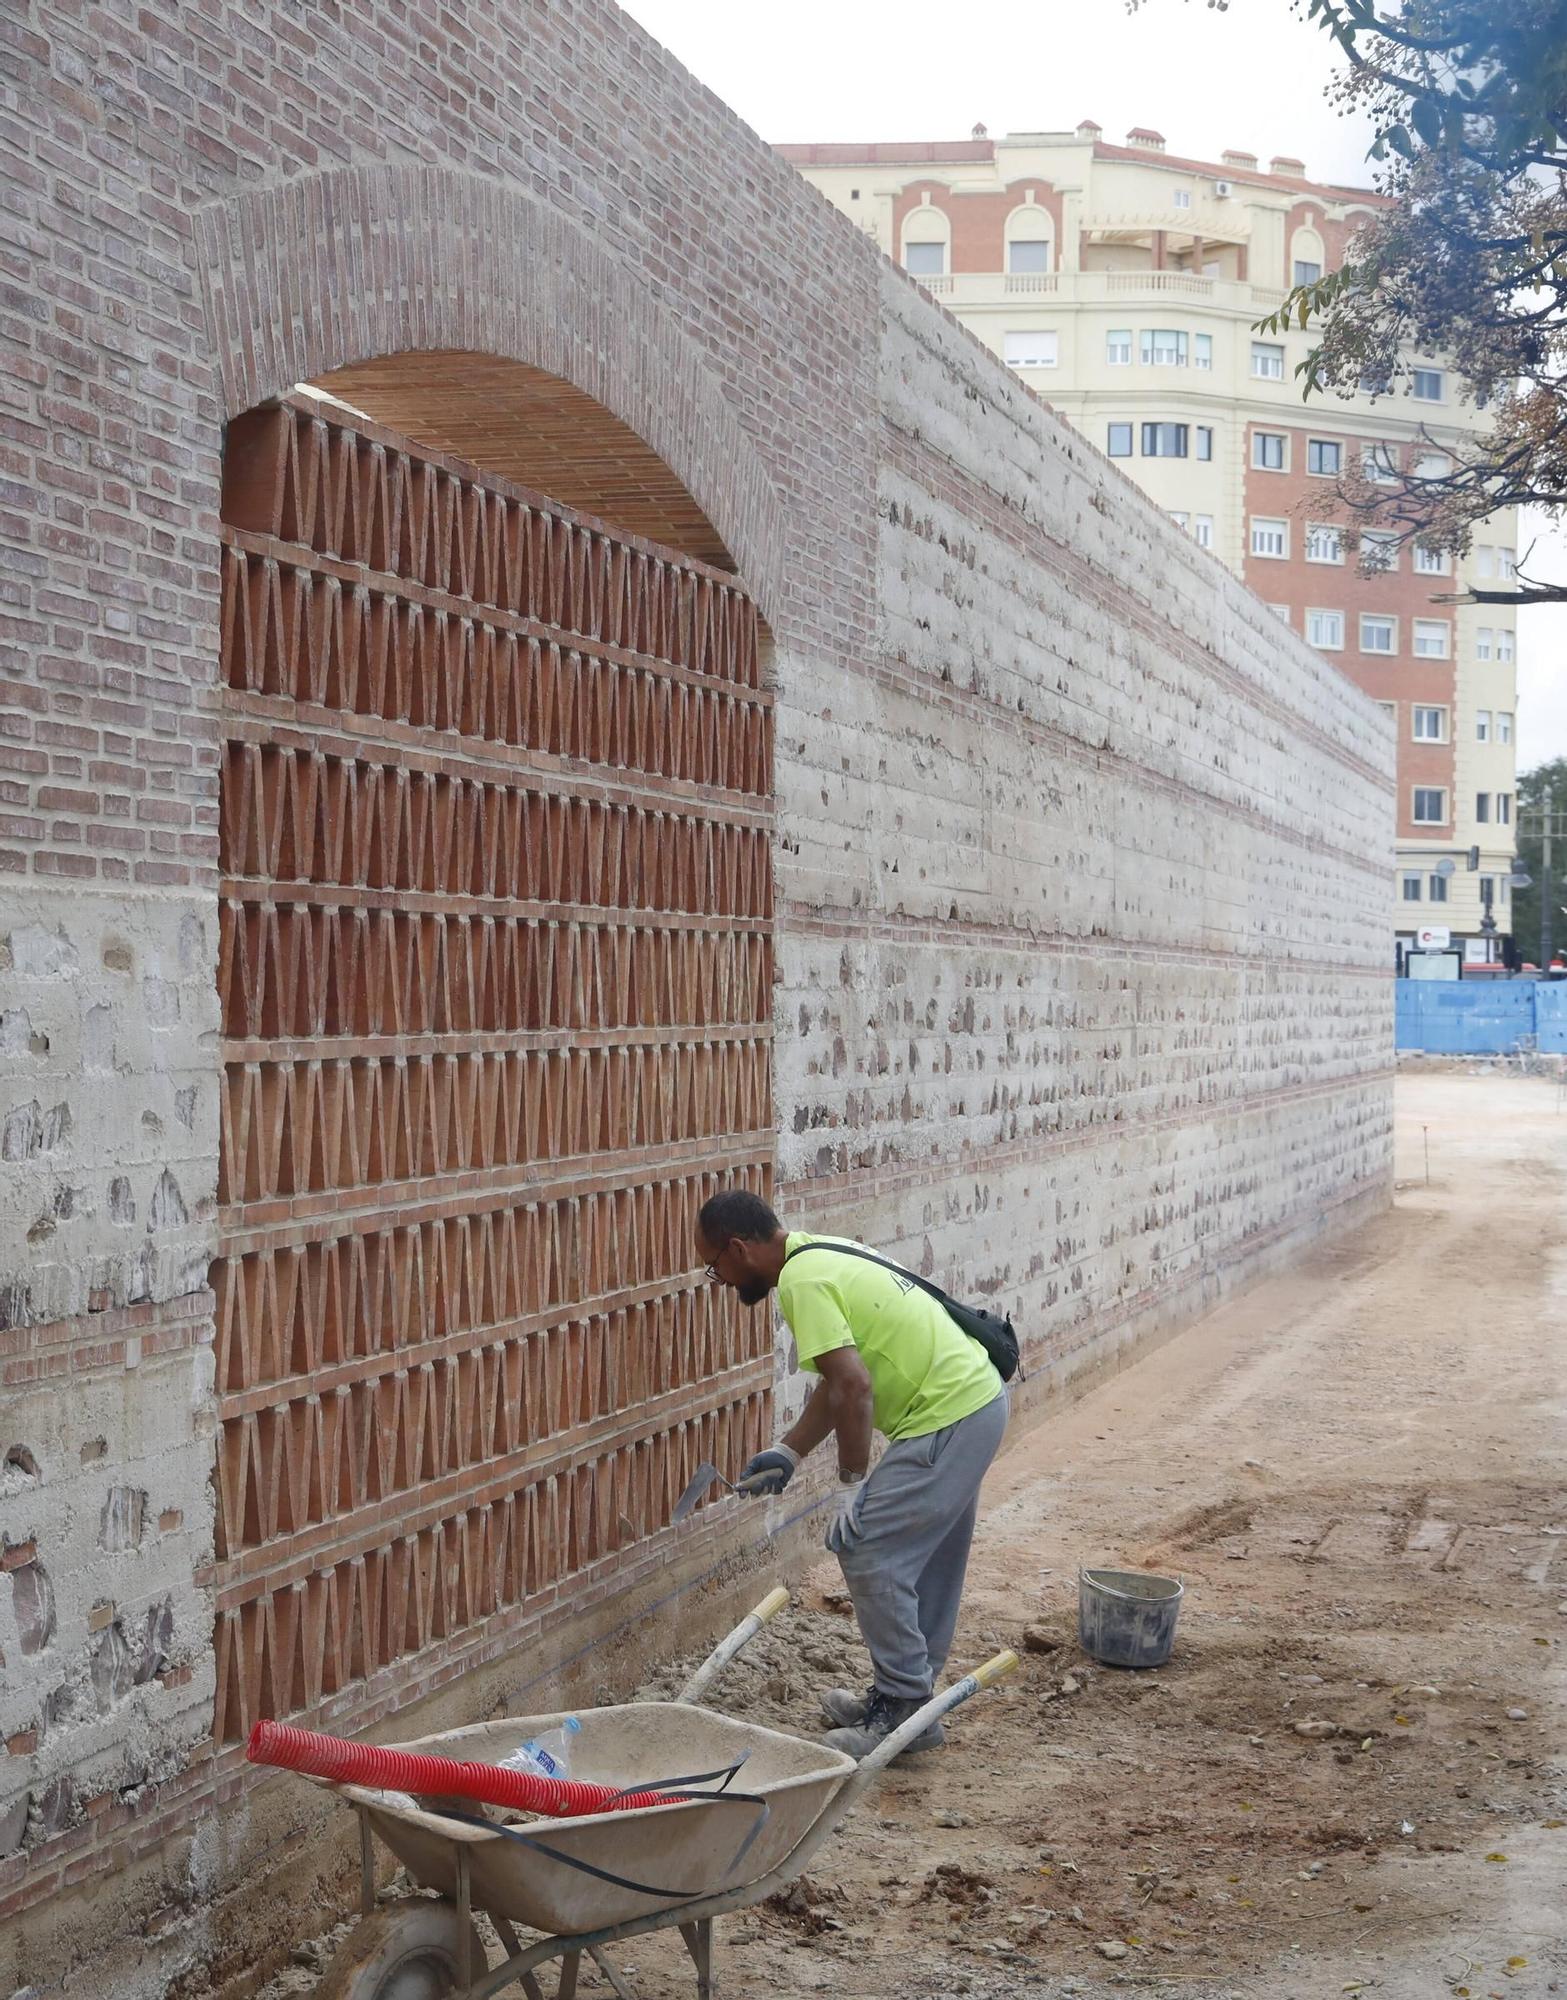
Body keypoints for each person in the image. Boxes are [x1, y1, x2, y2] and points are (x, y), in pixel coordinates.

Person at [693, 1188, 1009, 1757]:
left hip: (949, 1415)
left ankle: (903, 1705)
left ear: (739, 1249)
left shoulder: (800, 1283)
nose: (722, 1281)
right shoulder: (817, 1251)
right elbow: (840, 1381)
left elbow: (854, 1387)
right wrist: (788, 1452)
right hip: (972, 1404)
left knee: (868, 1548)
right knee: (925, 1559)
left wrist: (850, 1486)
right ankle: (910, 1702)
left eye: (715, 1268)